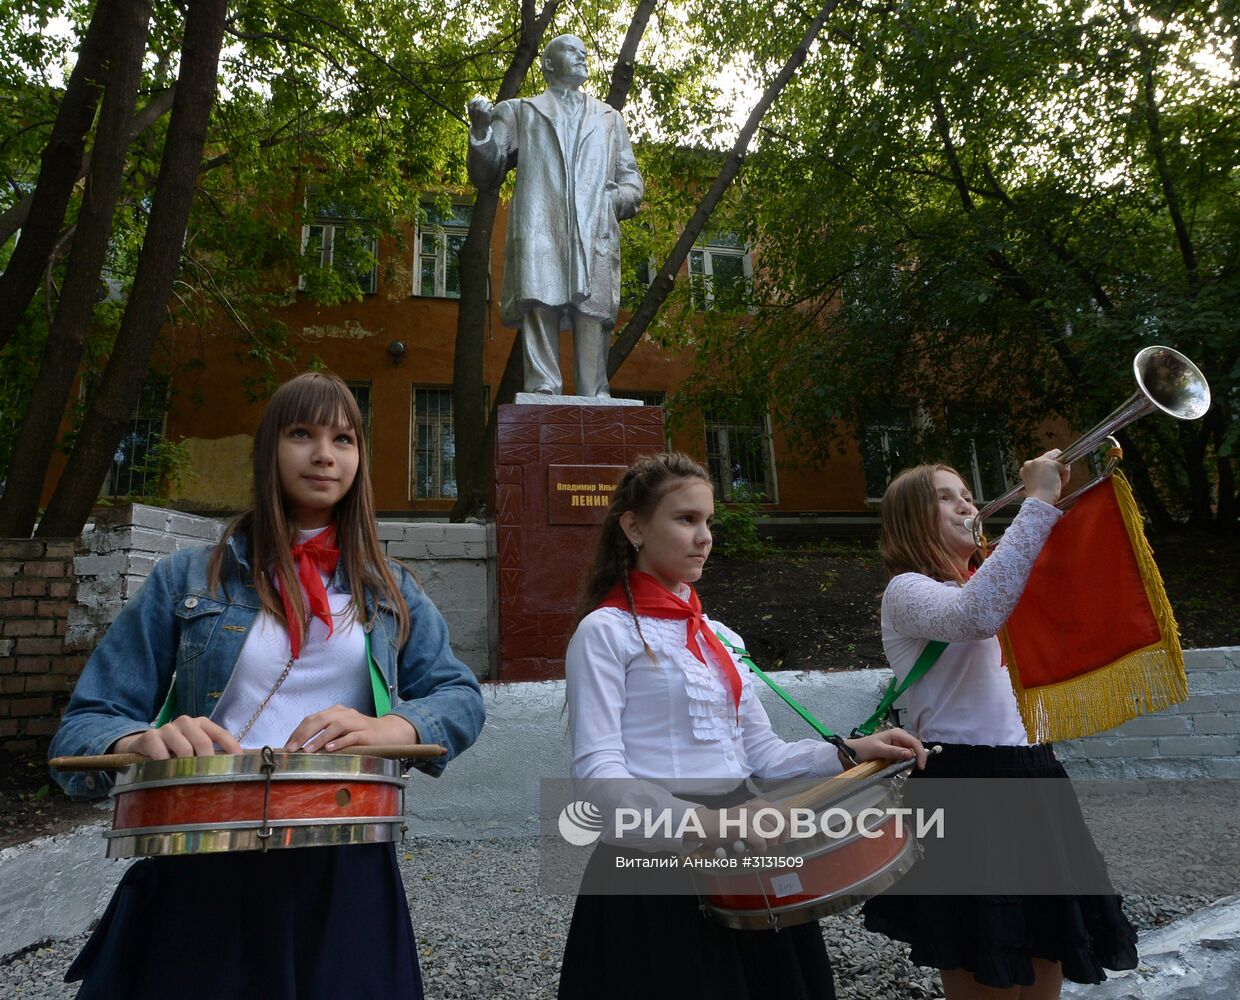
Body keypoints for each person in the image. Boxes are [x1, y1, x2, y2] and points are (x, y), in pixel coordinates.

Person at [48, 372, 485, 1000]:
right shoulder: (187, 578)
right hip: (206, 846)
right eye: (301, 433)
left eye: (344, 438)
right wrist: (139, 741)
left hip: (344, 855)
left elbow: (459, 696)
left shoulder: (390, 590)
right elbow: (85, 723)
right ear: (268, 449)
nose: (325, 455)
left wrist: (397, 727)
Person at [559, 452, 928, 1000]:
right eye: (685, 519)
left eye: (708, 521)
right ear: (634, 527)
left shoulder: (720, 636)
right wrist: (709, 822)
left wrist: (850, 750)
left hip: (744, 846)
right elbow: (597, 775)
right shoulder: (605, 632)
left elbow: (762, 755)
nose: (704, 536)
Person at [860, 454, 1138, 999]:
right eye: (944, 496)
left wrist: (1066, 498)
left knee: (1045, 948)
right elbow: (975, 614)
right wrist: (1035, 503)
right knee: (986, 958)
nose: (966, 502)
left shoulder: (989, 578)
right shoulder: (907, 590)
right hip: (964, 781)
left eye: (966, 492)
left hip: (1033, 774)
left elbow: (1061, 586)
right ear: (911, 518)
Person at [467, 34, 643, 398]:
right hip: (540, 223)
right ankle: (542, 388)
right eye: (569, 49)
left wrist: (613, 201)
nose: (581, 54)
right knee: (540, 298)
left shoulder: (610, 118)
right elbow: (487, 174)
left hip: (593, 226)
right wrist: (482, 132)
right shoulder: (519, 110)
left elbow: (631, 182)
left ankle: (595, 391)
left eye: (584, 49)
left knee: (592, 311)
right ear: (547, 65)